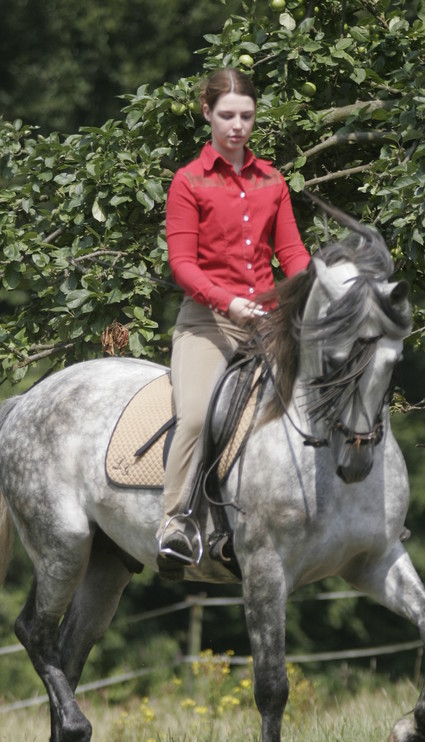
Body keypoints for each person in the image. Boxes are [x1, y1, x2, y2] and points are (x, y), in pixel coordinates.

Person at [157, 67, 311, 571]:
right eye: (227, 115)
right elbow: (182, 264)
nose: (237, 126)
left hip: (267, 323)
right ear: (207, 113)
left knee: (329, 393)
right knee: (200, 415)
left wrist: (314, 289)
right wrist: (228, 302)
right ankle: (176, 521)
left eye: (246, 115)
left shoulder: (272, 181)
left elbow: (292, 254)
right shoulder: (188, 181)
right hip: (206, 323)